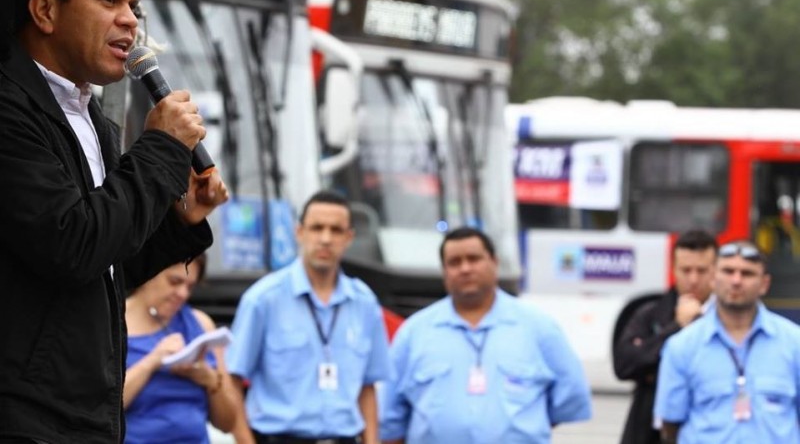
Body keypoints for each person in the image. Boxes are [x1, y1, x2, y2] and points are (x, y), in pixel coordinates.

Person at [0, 0, 228, 443]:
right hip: (26, 418)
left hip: (88, 414)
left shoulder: (92, 117)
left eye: (134, 7)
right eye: (109, 1)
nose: (130, 22)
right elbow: (71, 244)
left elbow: (107, 266)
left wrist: (178, 220)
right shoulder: (11, 109)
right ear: (45, 10)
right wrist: (164, 149)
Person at [381, 226, 592, 444]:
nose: (465, 269)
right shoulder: (415, 332)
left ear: (494, 262)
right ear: (444, 271)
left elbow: (570, 396)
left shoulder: (538, 328)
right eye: (454, 262)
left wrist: (523, 428)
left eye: (474, 259)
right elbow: (390, 417)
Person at [226, 190, 391, 444]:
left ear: (349, 238)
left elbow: (368, 388)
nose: (325, 239)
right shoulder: (263, 299)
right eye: (317, 228)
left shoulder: (365, 303)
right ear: (299, 232)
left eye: (336, 230)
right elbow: (231, 381)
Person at [654, 240, 800, 443]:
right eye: (728, 271)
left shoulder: (794, 343)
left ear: (764, 284)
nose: (736, 281)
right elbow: (670, 426)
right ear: (713, 278)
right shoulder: (682, 346)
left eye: (747, 273)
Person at [613, 229, 718, 444]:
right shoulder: (649, 312)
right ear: (673, 269)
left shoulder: (729, 319)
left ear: (716, 271)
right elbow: (624, 365)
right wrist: (677, 326)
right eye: (685, 270)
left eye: (702, 270)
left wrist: (652, 366)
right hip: (648, 433)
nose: (693, 279)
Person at [124, 253, 241, 443]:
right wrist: (152, 361)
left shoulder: (200, 324)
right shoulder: (113, 325)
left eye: (190, 286)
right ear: (147, 274)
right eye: (174, 281)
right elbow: (100, 409)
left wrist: (211, 381)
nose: (183, 294)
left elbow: (227, 423)